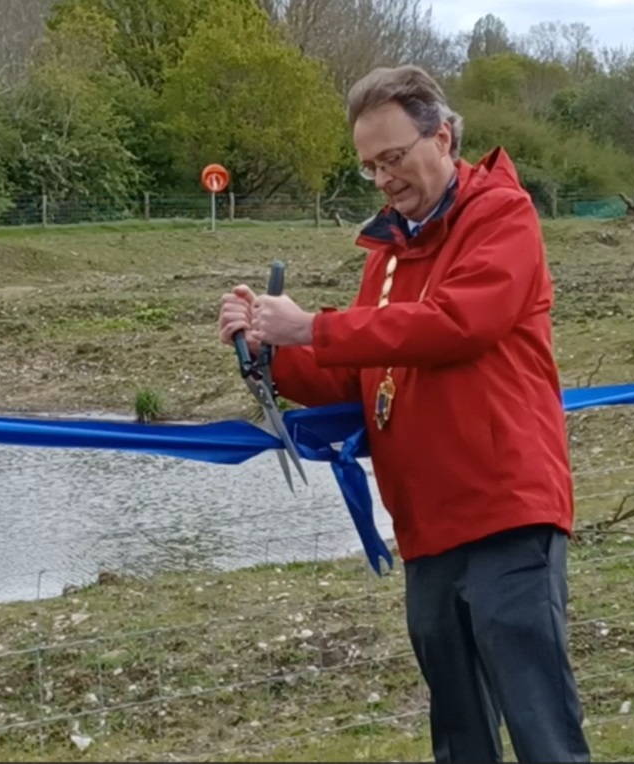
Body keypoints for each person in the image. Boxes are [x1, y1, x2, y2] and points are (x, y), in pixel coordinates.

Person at [218, 65, 590, 762]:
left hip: (508, 513)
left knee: (542, 733)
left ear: (443, 137)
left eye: (393, 157)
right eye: (368, 167)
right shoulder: (387, 253)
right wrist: (268, 350)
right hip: (425, 525)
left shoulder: (502, 215)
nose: (383, 178)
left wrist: (312, 327)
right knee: (459, 736)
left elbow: (455, 325)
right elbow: (362, 370)